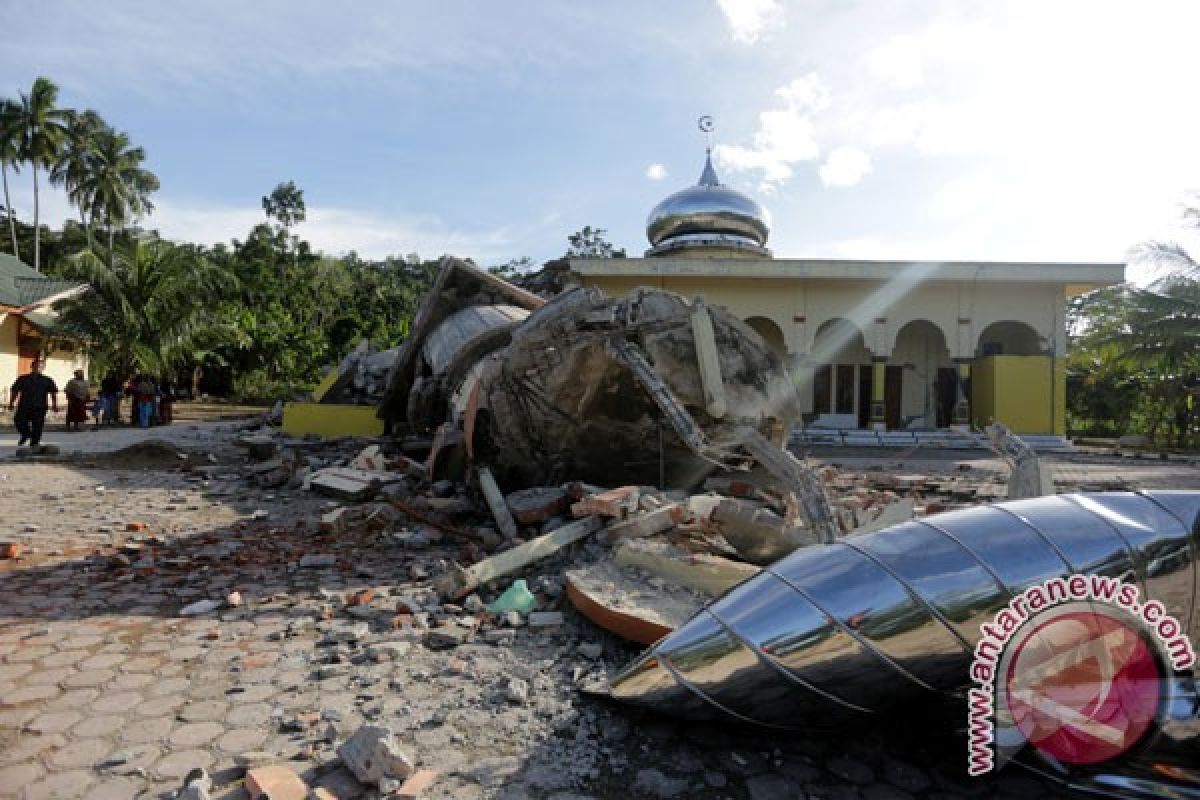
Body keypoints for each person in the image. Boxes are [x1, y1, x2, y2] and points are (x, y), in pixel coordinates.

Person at [9, 359, 59, 449]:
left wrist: (55, 405)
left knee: (38, 426)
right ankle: (26, 434)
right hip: (24, 405)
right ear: (32, 367)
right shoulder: (23, 378)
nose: (38, 368)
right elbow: (15, 391)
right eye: (36, 366)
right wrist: (11, 402)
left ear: (43, 368)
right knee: (19, 421)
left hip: (40, 407)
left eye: (40, 366)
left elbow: (53, 393)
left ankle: (34, 444)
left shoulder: (47, 380)